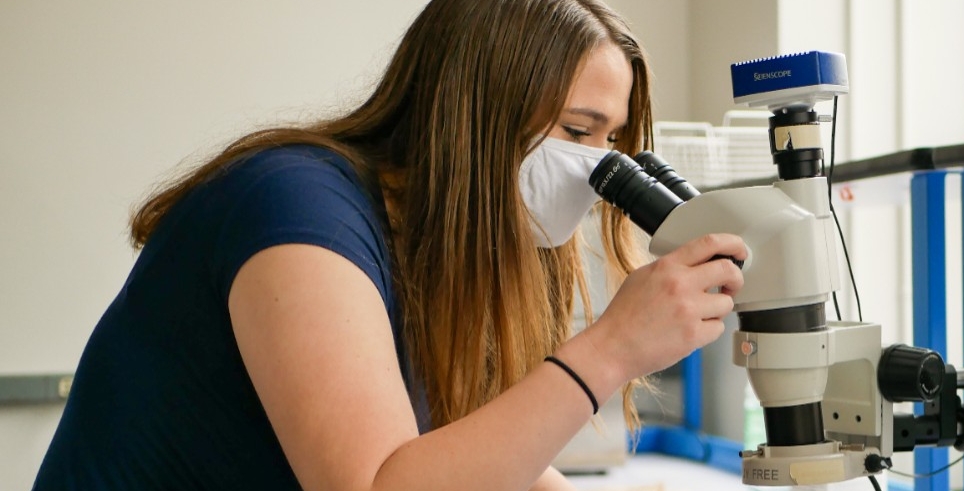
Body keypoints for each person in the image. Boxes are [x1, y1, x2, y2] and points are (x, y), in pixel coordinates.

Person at [32, 1, 746, 490]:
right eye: (577, 130)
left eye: (613, 141)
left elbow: (481, 460)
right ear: (478, 109)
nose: (597, 168)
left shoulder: (444, 252)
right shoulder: (294, 211)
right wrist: (613, 346)